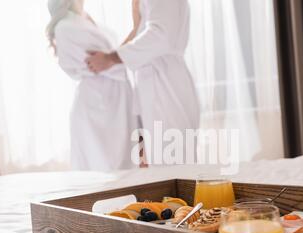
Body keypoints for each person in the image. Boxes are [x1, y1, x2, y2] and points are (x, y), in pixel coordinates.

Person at [86, 0, 200, 164]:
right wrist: (108, 58)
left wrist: (110, 59)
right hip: (157, 84)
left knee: (173, 163)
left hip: (165, 86)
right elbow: (140, 33)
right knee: (163, 162)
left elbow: (161, 35)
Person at [46, 0, 139, 171]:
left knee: (123, 171)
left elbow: (112, 57)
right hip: (96, 107)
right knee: (101, 171)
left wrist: (134, 33)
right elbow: (107, 61)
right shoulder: (66, 27)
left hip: (115, 102)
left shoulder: (84, 19)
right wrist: (136, 30)